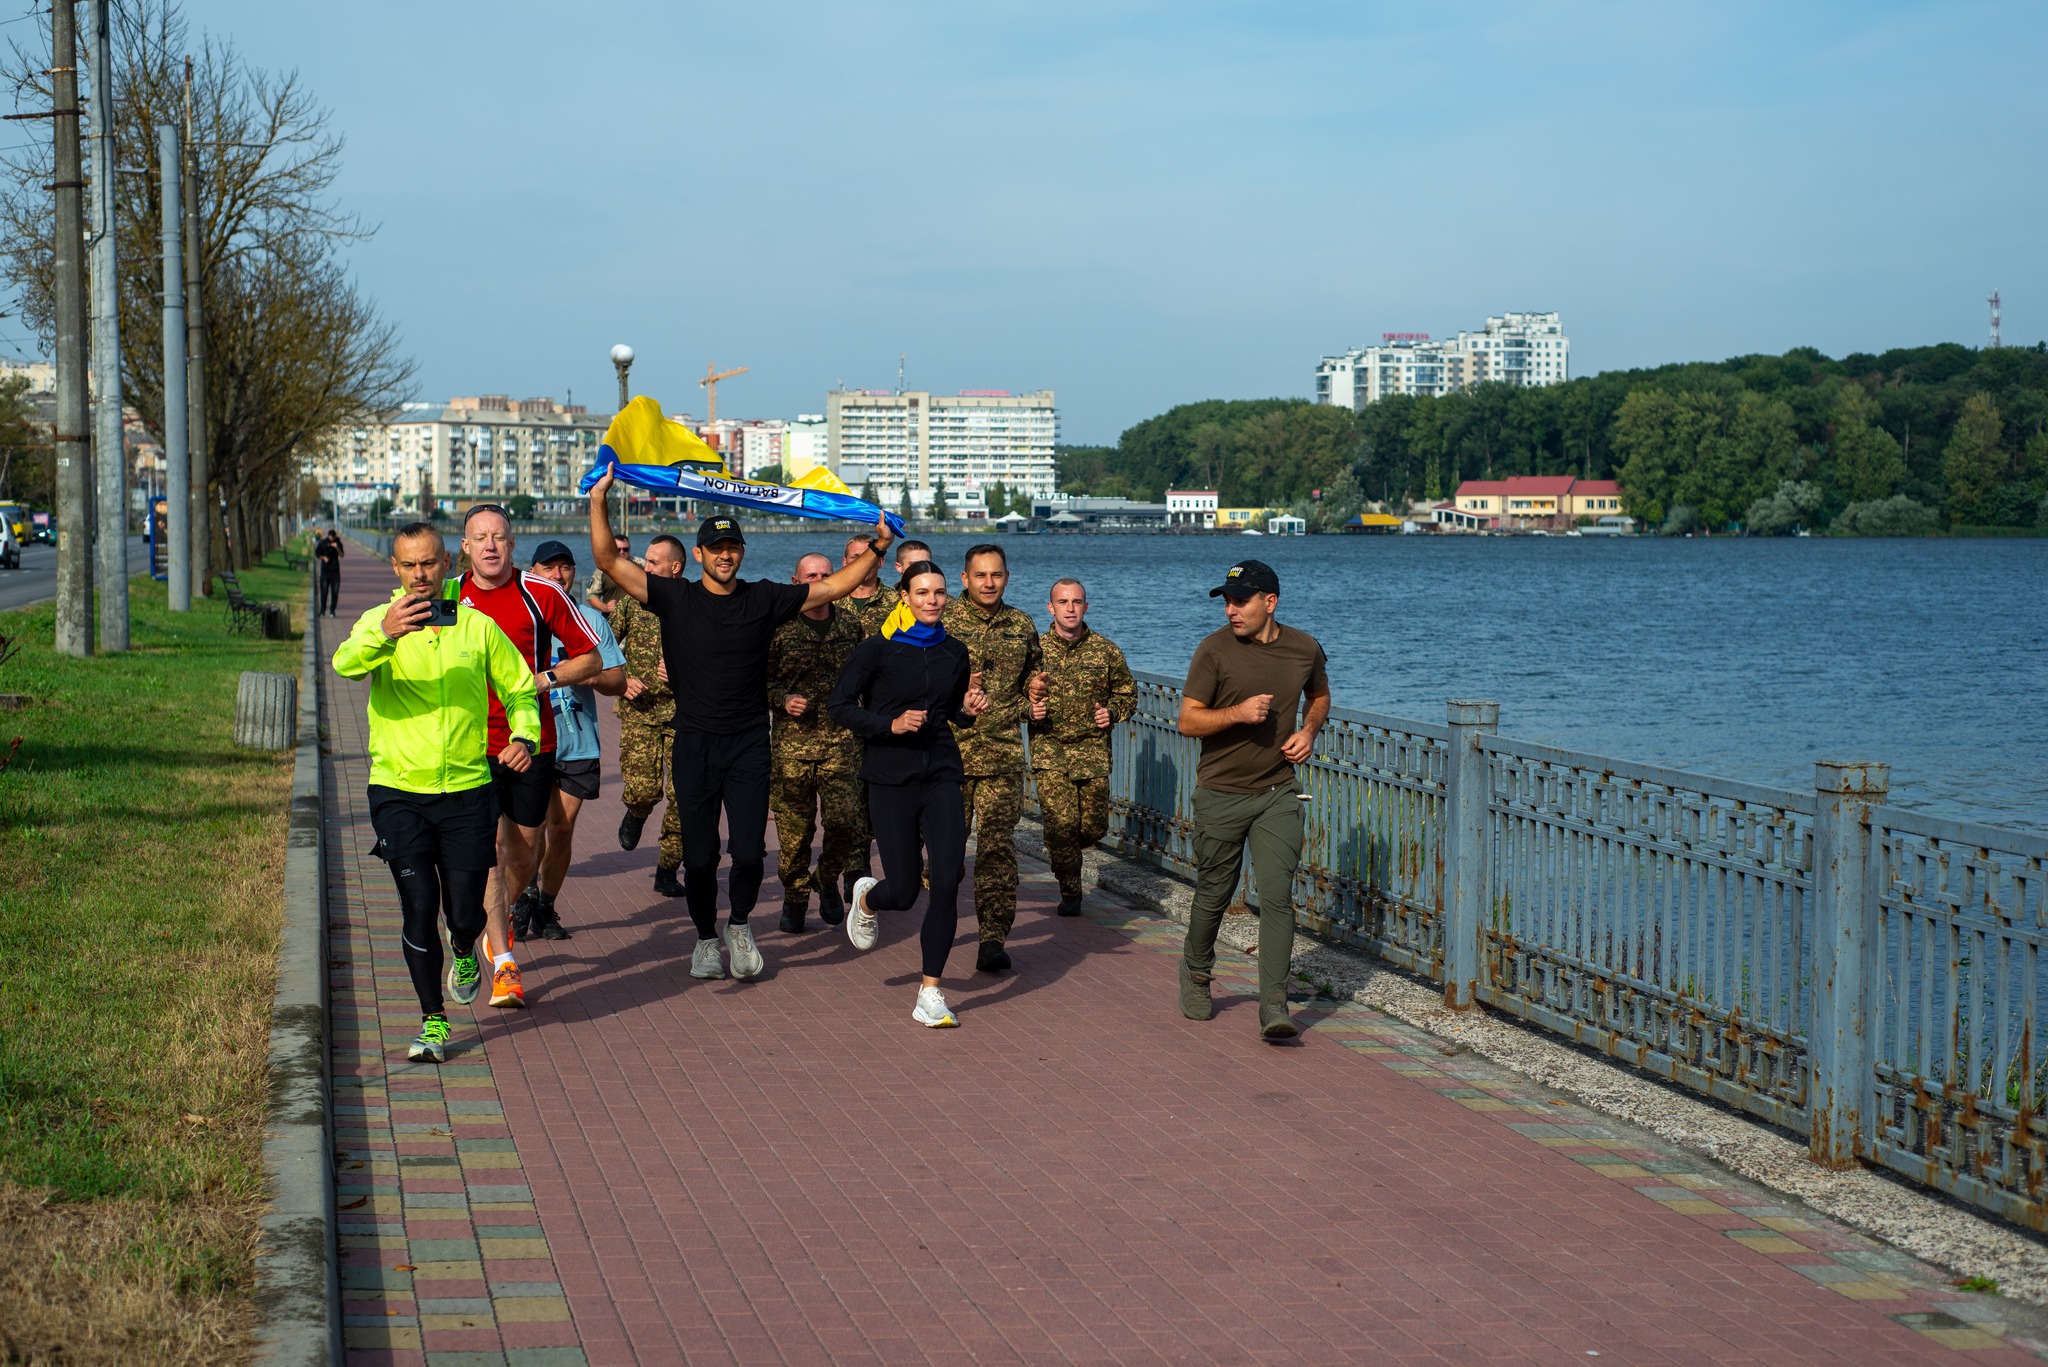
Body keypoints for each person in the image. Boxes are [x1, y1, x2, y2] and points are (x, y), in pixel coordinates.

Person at [587, 470, 894, 983]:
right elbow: (606, 559)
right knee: (700, 857)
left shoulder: (763, 598)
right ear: (699, 555)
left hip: (749, 744)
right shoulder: (675, 597)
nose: (725, 555)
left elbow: (835, 585)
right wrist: (600, 498)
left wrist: (879, 547)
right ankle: (706, 938)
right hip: (694, 743)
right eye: (716, 548)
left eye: (732, 547)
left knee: (749, 853)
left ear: (742, 553)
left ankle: (740, 924)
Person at [332, 523, 541, 1063]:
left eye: (428, 563)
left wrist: (524, 736)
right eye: (409, 565)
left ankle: (465, 947)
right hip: (398, 790)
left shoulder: (477, 626)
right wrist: (386, 633)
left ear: (448, 563)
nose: (420, 575)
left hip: (468, 791)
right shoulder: (379, 622)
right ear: (395, 569)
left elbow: (520, 689)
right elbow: (345, 665)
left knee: (466, 914)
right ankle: (433, 1021)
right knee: (419, 907)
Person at [454, 504, 604, 1007]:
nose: (490, 545)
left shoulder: (542, 593)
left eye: (499, 536)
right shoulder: (449, 597)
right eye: (480, 537)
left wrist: (541, 680)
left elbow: (591, 658)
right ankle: (503, 961)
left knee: (523, 854)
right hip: (469, 744)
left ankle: (489, 925)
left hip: (530, 741)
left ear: (513, 544)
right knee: (488, 853)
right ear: (466, 547)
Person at [828, 560, 988, 1027]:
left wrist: (968, 710)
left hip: (941, 773)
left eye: (939, 592)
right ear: (904, 596)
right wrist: (889, 725)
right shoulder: (875, 650)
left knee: (947, 880)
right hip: (890, 776)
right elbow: (839, 707)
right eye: (922, 592)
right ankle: (868, 899)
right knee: (902, 891)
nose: (932, 600)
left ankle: (930, 992)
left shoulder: (954, 651)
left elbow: (952, 713)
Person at [1176, 560, 1330, 1040]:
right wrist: (1237, 714)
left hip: (1277, 793)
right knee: (1215, 893)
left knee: (1278, 897)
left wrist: (1309, 732)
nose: (1231, 610)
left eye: (1241, 601)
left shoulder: (1304, 647)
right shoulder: (1213, 650)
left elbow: (1320, 695)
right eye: (1227, 601)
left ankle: (1274, 1005)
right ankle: (1196, 973)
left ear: (1270, 602)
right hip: (1220, 794)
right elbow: (1188, 721)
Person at [942, 543, 1047, 973]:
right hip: (949, 756)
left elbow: (1031, 682)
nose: (989, 583)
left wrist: (1035, 697)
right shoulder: (941, 620)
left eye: (996, 575)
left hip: (1002, 757)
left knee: (997, 849)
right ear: (964, 579)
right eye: (980, 575)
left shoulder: (1021, 625)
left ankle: (992, 939)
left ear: (1007, 577)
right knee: (946, 855)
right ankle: (939, 920)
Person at [515, 540, 627, 941]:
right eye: (549, 567)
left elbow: (617, 680)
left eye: (565, 567)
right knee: (527, 830)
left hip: (577, 741)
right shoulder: (519, 615)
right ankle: (523, 895)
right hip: (527, 740)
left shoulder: (590, 620)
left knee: (561, 829)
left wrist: (585, 673)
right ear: (532, 573)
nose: (558, 575)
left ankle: (545, 906)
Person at [765, 553, 866, 933]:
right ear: (796, 583)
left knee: (846, 823)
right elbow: (757, 680)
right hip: (793, 748)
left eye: (826, 574)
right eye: (811, 575)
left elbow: (868, 678)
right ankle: (794, 899)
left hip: (842, 745)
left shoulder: (851, 626)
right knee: (795, 835)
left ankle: (825, 877)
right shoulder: (778, 628)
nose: (820, 581)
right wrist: (782, 699)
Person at [1028, 577, 1136, 917]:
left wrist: (1112, 712)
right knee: (1061, 827)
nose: (1070, 608)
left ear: (1085, 607)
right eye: (1063, 602)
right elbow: (1013, 693)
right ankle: (1070, 890)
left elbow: (1127, 694)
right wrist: (1029, 708)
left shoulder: (1105, 650)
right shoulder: (1034, 651)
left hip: (1092, 754)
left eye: (1076, 602)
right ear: (1051, 607)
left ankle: (1063, 848)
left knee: (1092, 827)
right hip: (1050, 752)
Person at [614, 535, 687, 896]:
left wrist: (684, 670)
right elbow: (603, 645)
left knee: (684, 797)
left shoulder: (695, 602)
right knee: (643, 790)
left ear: (675, 567)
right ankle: (637, 811)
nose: (646, 568)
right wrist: (622, 679)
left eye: (654, 563)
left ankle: (667, 868)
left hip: (683, 714)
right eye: (645, 561)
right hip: (640, 710)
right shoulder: (632, 600)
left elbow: (717, 654)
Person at [587, 534, 634, 615]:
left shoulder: (641, 565)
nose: (622, 552)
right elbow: (591, 595)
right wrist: (605, 607)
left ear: (630, 549)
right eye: (618, 549)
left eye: (625, 549)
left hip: (637, 619)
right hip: (612, 618)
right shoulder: (603, 569)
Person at [315, 528, 344, 617]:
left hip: (335, 571)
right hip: (325, 571)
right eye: (330, 537)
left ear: (334, 537)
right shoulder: (323, 543)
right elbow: (317, 553)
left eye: (332, 537)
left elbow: (342, 555)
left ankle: (332, 610)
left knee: (335, 592)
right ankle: (322, 610)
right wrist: (323, 558)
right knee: (324, 592)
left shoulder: (338, 543)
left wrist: (337, 547)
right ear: (328, 536)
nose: (331, 538)